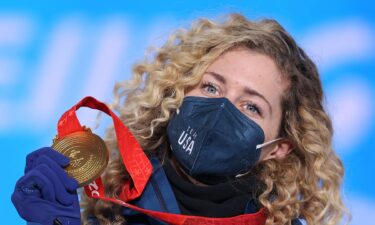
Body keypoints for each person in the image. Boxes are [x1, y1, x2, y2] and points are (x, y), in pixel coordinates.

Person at [12, 13, 349, 225]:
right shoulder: (108, 212)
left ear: (278, 147)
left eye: (251, 107)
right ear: (179, 92)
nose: (221, 109)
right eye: (212, 86)